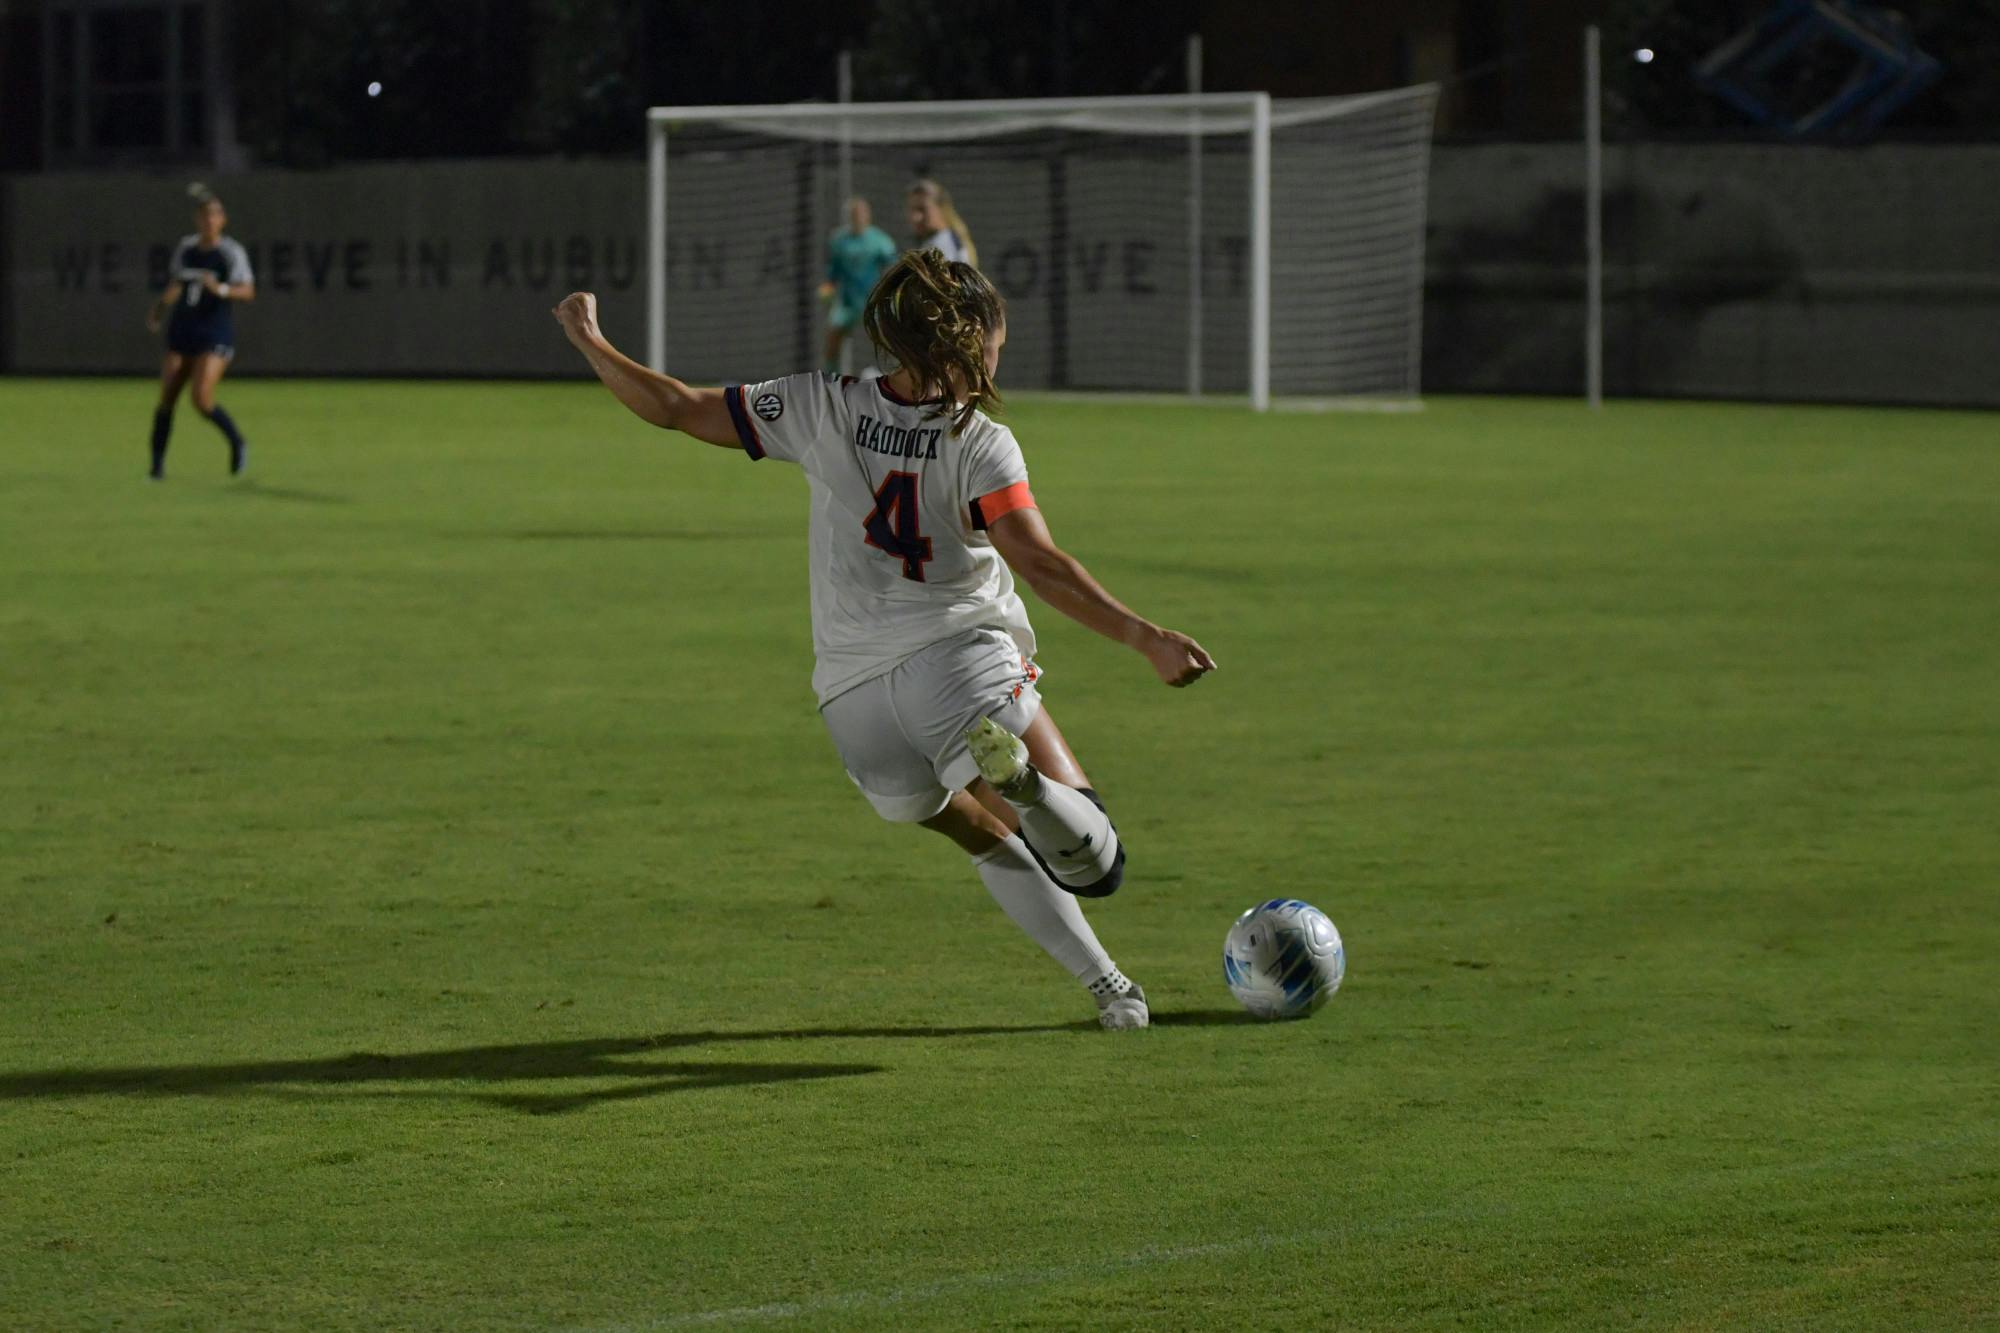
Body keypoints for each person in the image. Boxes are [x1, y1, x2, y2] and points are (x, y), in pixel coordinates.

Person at [551, 250, 1215, 1029]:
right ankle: (1032, 787)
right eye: (996, 340)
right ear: (969, 342)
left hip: (853, 703)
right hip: (959, 670)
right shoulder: (980, 442)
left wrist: (591, 340)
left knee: (982, 833)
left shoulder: (816, 403)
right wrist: (1147, 636)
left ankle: (1111, 989)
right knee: (1095, 864)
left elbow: (672, 405)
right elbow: (1039, 563)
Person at [144, 185, 254, 479]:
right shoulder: (187, 249)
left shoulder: (230, 252)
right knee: (167, 395)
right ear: (197, 219)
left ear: (223, 220)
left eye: (215, 215)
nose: (209, 220)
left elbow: (248, 291)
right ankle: (156, 467)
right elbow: (177, 284)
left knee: (201, 399)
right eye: (204, 215)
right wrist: (159, 309)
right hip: (183, 329)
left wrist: (221, 288)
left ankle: (237, 442)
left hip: (213, 331)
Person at [818, 197, 899, 375]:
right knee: (832, 336)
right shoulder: (838, 241)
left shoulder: (879, 240)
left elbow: (892, 265)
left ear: (867, 216)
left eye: (861, 214)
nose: (858, 218)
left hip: (872, 301)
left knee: (888, 337)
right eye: (854, 214)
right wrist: (828, 287)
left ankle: (894, 373)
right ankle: (830, 377)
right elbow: (834, 270)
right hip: (846, 303)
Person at [906, 179, 977, 267]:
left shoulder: (942, 245)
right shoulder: (938, 240)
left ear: (941, 208)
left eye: (922, 209)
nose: (916, 217)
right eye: (912, 209)